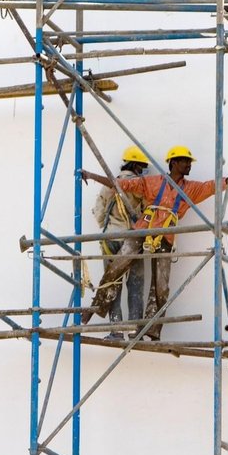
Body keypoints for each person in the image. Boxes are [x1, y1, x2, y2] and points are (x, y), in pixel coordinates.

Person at [80, 145, 228, 340]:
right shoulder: (153, 183)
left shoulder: (191, 189)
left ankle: (151, 330)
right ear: (173, 163)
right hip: (143, 230)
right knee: (116, 268)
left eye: (189, 161)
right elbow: (121, 185)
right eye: (185, 161)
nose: (189, 165)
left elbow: (216, 185)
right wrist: (92, 175)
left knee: (160, 286)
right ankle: (95, 307)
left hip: (166, 237)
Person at [92, 146, 149, 341]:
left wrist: (109, 226)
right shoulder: (141, 186)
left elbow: (99, 213)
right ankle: (134, 332)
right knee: (135, 285)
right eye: (142, 167)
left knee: (112, 284)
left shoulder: (109, 184)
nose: (143, 171)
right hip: (132, 240)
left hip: (110, 239)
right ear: (135, 166)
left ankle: (115, 330)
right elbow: (146, 213)